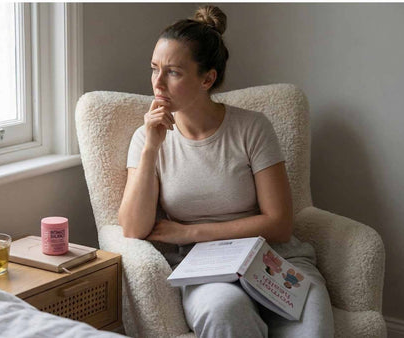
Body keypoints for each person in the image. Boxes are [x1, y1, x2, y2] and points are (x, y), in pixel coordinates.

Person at [117, 5, 334, 338]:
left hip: (272, 258)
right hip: (206, 271)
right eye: (154, 68)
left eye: (173, 72)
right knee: (223, 313)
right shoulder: (146, 138)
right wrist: (151, 149)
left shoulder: (252, 128)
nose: (157, 83)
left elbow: (279, 223)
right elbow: (133, 228)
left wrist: (189, 233)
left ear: (208, 78)